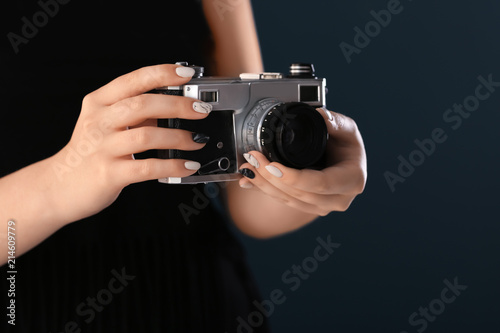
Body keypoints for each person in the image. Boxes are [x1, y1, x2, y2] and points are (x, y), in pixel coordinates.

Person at [0, 0, 367, 331]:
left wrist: (313, 168)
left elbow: (250, 203)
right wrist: (57, 182)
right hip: (28, 297)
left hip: (194, 291)